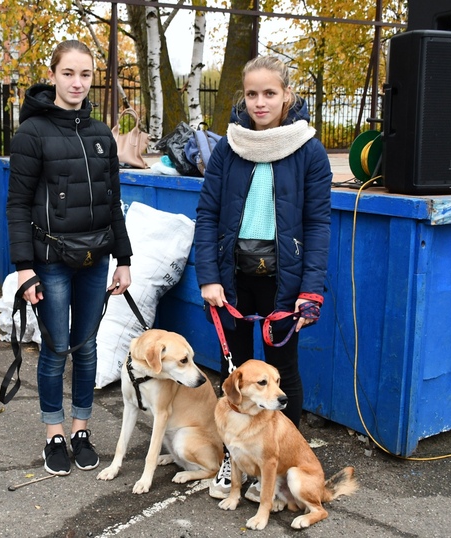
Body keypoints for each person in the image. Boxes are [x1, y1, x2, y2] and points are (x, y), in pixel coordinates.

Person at [194, 56, 332, 500]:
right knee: (235, 373)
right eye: (252, 94)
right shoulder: (228, 148)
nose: (260, 102)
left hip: (283, 283)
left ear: (286, 94)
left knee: (282, 372)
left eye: (269, 93)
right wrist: (208, 277)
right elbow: (207, 215)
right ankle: (235, 461)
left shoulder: (309, 150)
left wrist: (310, 290)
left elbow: (318, 224)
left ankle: (278, 461)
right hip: (232, 280)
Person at [7, 40, 133, 476]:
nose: (77, 83)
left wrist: (123, 259)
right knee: (56, 347)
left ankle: (81, 429)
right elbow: (17, 205)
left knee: (86, 347)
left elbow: (113, 202)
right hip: (51, 260)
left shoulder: (101, 134)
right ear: (53, 75)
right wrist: (24, 269)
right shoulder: (31, 133)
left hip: (95, 259)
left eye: (85, 74)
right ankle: (54, 434)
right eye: (68, 73)